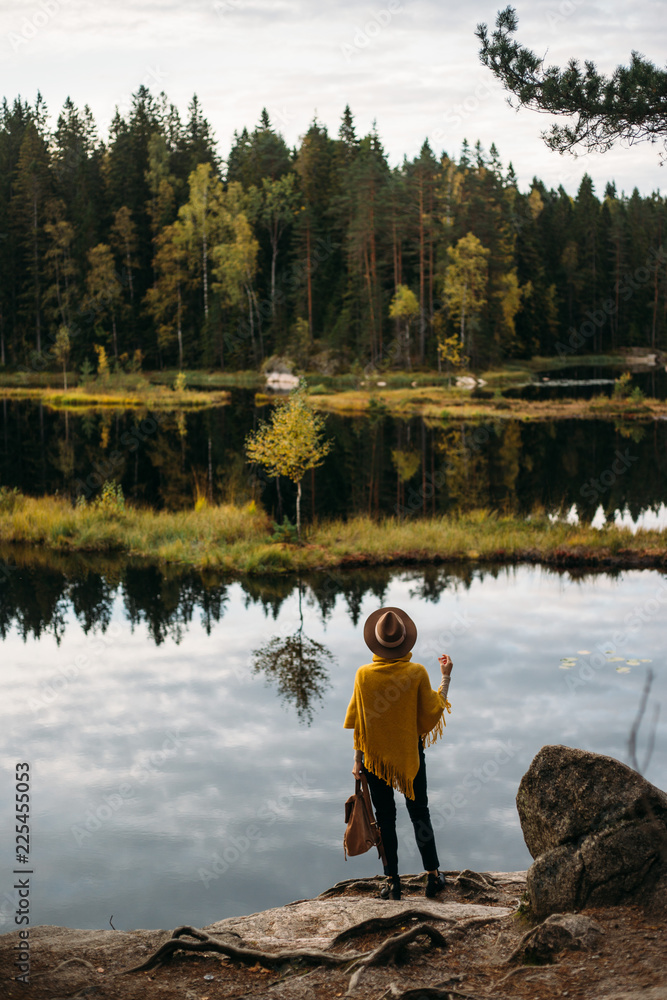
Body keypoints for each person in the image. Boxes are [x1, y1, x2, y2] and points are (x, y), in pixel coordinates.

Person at [343, 606, 452, 900]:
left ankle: (393, 883)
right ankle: (432, 876)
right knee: (420, 814)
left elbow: (360, 726)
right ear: (404, 641)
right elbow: (431, 713)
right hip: (409, 756)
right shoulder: (415, 672)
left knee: (385, 818)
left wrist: (357, 760)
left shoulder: (363, 675)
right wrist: (446, 678)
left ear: (376, 643)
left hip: (374, 758)